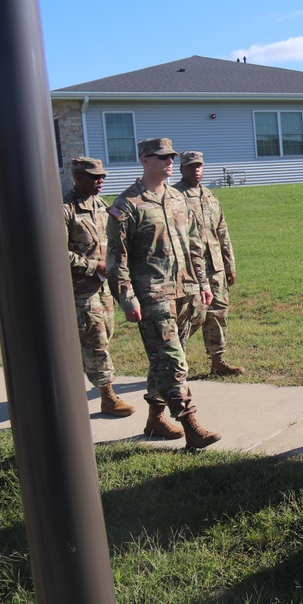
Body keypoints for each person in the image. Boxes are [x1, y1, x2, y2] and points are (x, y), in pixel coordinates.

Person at [106, 137, 221, 449]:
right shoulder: (126, 205)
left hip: (186, 292)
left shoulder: (177, 198)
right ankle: (191, 425)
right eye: (161, 157)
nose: (169, 162)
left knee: (165, 358)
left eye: (171, 156)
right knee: (172, 361)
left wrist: (203, 283)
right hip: (152, 297)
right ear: (144, 160)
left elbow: (194, 245)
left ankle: (155, 419)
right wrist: (127, 298)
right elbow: (117, 259)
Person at [64, 157, 136, 417]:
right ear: (78, 177)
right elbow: (57, 252)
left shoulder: (101, 205)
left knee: (103, 337)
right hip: (81, 291)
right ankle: (108, 397)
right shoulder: (65, 209)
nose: (100, 181)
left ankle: (68, 389)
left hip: (104, 289)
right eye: (95, 177)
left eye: (102, 176)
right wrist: (95, 266)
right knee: (96, 342)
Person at [174, 150, 245, 377]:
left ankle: (218, 361)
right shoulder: (175, 196)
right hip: (190, 269)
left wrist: (229, 263)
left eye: (199, 166)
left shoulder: (210, 197)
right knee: (192, 316)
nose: (196, 169)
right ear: (181, 169)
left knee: (217, 313)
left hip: (215, 267)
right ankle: (175, 363)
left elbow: (222, 232)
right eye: (190, 166)